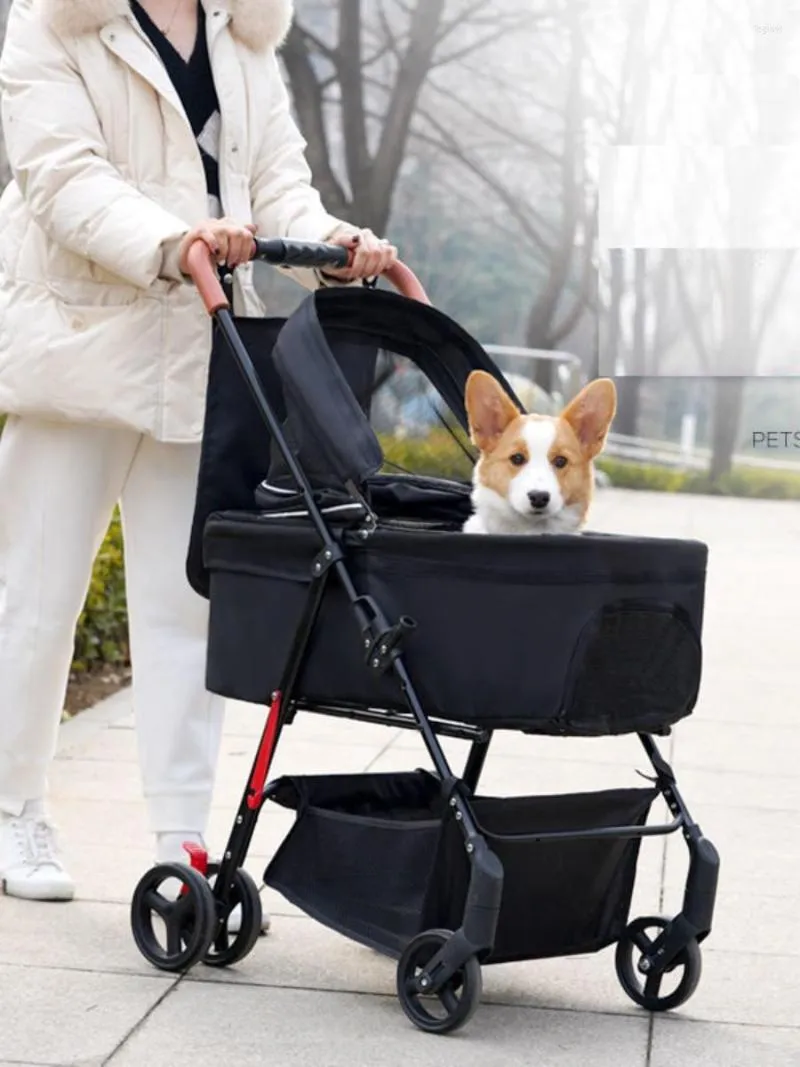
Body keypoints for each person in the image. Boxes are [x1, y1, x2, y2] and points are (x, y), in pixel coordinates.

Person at [0, 0, 397, 903]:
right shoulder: (52, 22)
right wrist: (170, 239)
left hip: (200, 355)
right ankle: (14, 806)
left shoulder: (244, 37)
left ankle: (181, 834)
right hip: (77, 346)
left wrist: (331, 245)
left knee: (188, 607)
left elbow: (276, 186)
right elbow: (62, 177)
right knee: (38, 595)